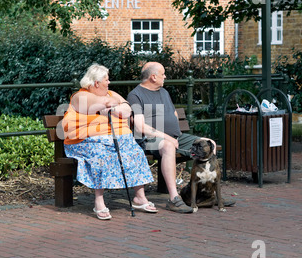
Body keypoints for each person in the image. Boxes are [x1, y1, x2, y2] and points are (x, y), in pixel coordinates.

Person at [62, 63, 157, 220]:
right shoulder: (80, 96)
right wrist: (109, 105)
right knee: (102, 156)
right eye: (106, 79)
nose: (109, 82)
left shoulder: (111, 93)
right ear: (96, 82)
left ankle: (140, 197)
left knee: (135, 152)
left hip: (117, 139)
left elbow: (127, 109)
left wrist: (117, 108)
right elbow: (91, 108)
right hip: (86, 142)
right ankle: (99, 201)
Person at [127, 61, 217, 214]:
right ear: (153, 77)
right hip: (149, 140)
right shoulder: (135, 95)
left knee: (209, 144)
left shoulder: (163, 92)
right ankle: (174, 198)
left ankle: (205, 194)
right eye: (163, 74)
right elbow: (140, 127)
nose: (165, 77)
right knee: (168, 146)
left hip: (176, 136)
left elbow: (173, 113)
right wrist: (167, 137)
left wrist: (173, 134)